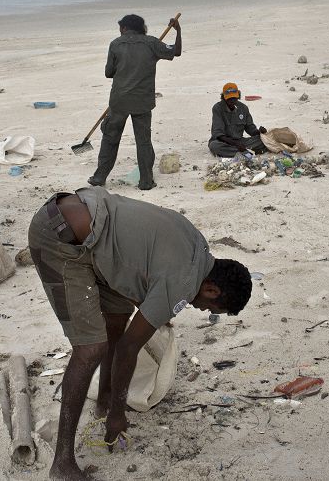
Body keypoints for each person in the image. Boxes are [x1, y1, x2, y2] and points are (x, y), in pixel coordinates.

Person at [27, 186, 251, 480]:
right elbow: (128, 348)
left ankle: (104, 398)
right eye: (210, 308)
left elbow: (142, 263)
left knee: (118, 318)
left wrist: (154, 312)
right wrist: (119, 414)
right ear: (211, 290)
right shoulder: (184, 284)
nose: (201, 310)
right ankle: (62, 463)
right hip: (58, 236)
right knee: (91, 349)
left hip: (82, 220)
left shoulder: (197, 245)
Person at [88, 15, 181, 191]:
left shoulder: (116, 44)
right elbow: (176, 51)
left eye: (120, 28)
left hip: (119, 100)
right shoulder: (152, 43)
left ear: (124, 28)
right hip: (142, 101)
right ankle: (146, 181)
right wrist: (178, 31)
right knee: (143, 141)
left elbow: (109, 73)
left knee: (110, 139)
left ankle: (99, 177)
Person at [208, 82, 268, 157]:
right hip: (223, 142)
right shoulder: (217, 108)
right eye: (229, 98)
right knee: (214, 146)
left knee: (262, 140)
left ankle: (241, 151)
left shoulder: (243, 108)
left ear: (238, 96)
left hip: (240, 141)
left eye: (234, 98)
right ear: (223, 97)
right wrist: (236, 144)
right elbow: (218, 134)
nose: (232, 101)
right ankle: (244, 152)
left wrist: (260, 132)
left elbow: (250, 129)